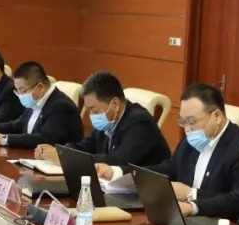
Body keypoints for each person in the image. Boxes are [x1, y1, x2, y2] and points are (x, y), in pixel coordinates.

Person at [35, 71, 169, 179]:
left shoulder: (140, 123)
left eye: (93, 109)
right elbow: (87, 145)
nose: (91, 115)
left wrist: (66, 159)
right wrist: (60, 151)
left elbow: (117, 161)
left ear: (115, 104)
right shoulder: (109, 120)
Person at [148, 83, 239, 203]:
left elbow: (238, 201)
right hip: (181, 209)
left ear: (217, 116)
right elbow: (172, 167)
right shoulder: (192, 138)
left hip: (212, 214)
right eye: (182, 121)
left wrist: (191, 194)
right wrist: (135, 175)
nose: (187, 129)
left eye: (192, 121)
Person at [0, 61, 83, 149]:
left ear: (40, 87)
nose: (20, 95)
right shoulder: (36, 100)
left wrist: (3, 139)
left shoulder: (61, 106)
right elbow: (16, 125)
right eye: (17, 91)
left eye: (22, 91)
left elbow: (44, 139)